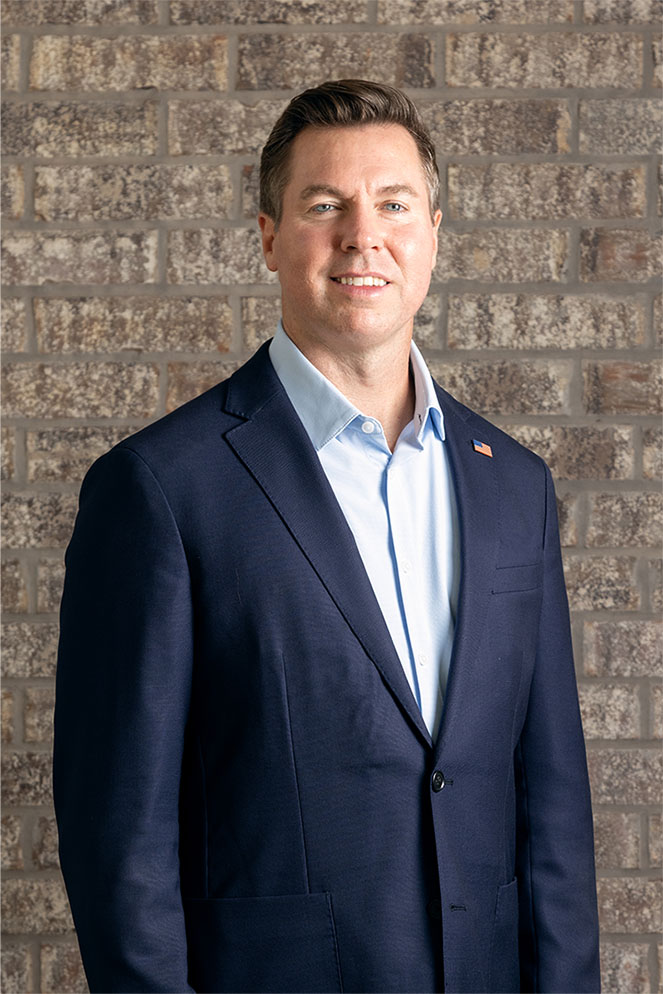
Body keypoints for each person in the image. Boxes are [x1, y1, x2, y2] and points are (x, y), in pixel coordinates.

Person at [54, 79, 600, 994]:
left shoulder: (513, 485)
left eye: (392, 204)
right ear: (269, 235)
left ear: (432, 231)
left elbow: (552, 801)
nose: (362, 236)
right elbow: (121, 841)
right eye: (323, 206)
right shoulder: (157, 488)